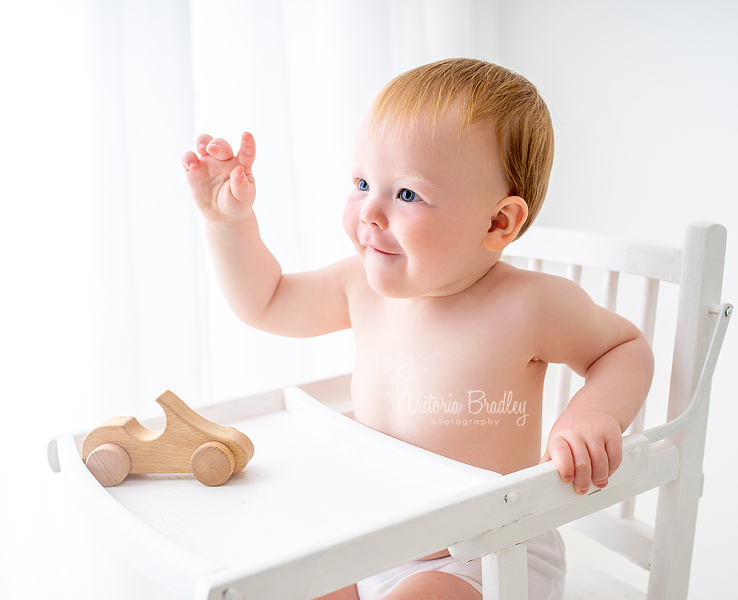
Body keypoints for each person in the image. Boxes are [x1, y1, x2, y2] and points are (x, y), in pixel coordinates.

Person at [182, 58, 653, 600]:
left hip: (486, 555)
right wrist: (229, 225)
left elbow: (624, 347)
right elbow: (266, 301)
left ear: (498, 222)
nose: (370, 213)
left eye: (406, 194)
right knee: (271, 587)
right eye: (361, 183)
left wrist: (591, 415)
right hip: (371, 542)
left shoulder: (528, 306)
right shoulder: (359, 284)